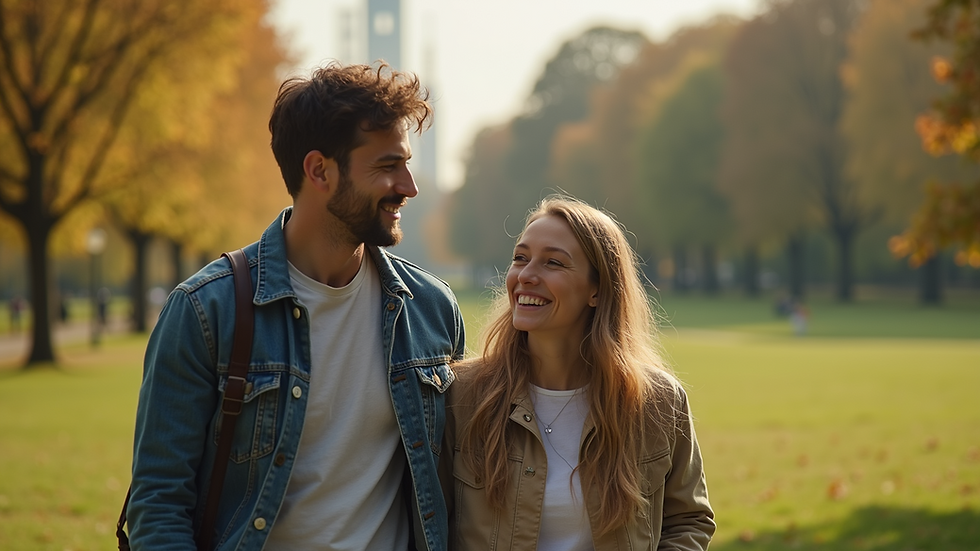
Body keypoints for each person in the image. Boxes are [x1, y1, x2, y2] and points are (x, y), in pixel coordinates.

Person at [128, 63, 465, 551]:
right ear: (319, 170)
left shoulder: (431, 311)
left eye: (407, 163)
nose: (409, 186)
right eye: (388, 166)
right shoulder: (205, 312)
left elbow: (458, 491)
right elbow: (158, 503)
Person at [448, 196, 714, 550]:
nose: (526, 276)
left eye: (553, 263)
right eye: (520, 258)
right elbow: (425, 520)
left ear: (597, 289)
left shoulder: (658, 403)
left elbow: (688, 520)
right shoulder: (461, 396)